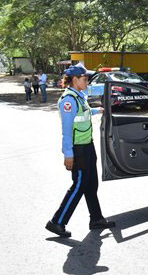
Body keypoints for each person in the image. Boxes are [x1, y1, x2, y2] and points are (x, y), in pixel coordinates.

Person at [45, 63, 115, 238]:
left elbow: (83, 113)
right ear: (75, 79)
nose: (87, 82)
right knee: (79, 186)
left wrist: (96, 110)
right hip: (78, 150)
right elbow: (67, 130)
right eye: (85, 79)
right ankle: (57, 222)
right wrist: (68, 154)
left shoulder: (79, 96)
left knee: (91, 184)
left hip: (87, 146)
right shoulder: (68, 100)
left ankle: (96, 219)